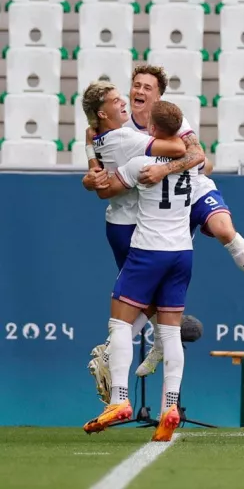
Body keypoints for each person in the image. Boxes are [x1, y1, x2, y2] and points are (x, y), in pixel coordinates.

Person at [83, 64, 244, 389]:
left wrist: (162, 171)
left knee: (223, 228)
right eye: (135, 85)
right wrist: (90, 177)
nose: (139, 92)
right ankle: (142, 350)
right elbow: (97, 173)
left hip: (189, 190)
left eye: (147, 87)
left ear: (158, 95)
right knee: (148, 298)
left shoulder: (171, 120)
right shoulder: (110, 132)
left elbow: (202, 159)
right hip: (141, 213)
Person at [82, 101, 198, 442]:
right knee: (171, 333)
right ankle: (171, 407)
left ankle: (119, 399)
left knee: (119, 322)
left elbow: (106, 189)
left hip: (149, 250)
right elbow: (195, 155)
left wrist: (91, 176)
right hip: (182, 252)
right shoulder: (191, 165)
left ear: (151, 128)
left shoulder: (140, 163)